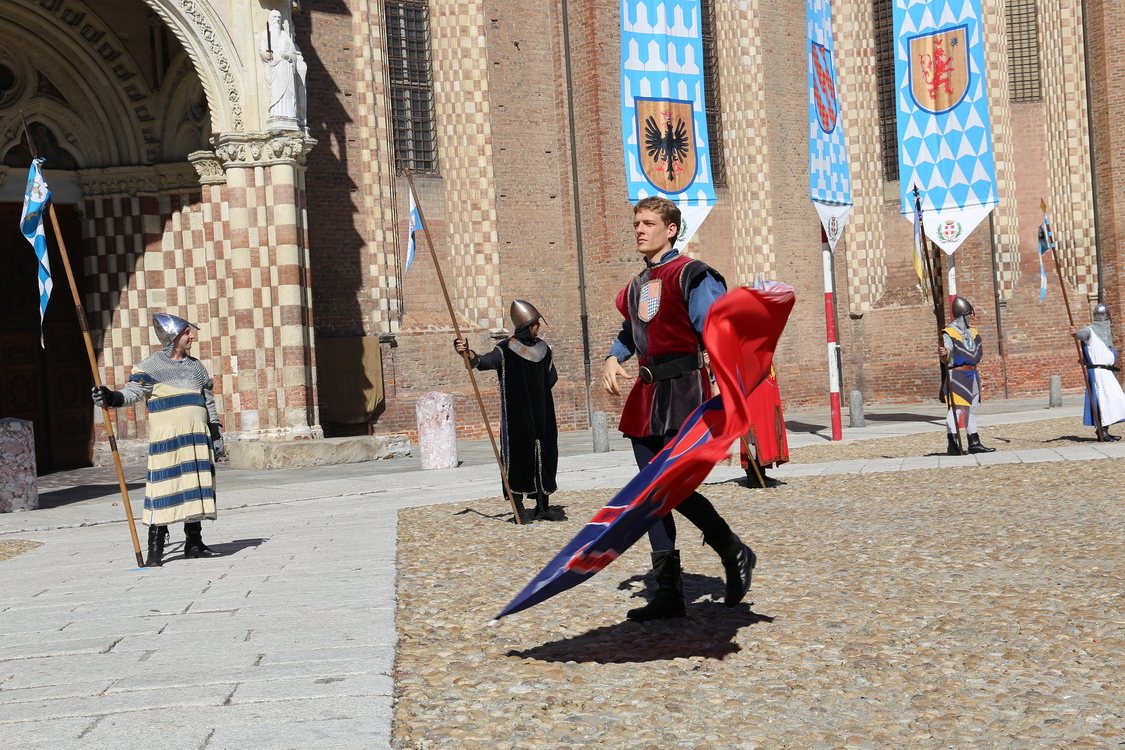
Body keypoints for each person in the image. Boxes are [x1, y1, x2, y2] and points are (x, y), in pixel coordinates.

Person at [602, 195, 755, 622]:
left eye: (648, 222)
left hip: (686, 391)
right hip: (647, 397)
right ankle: (669, 591)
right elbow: (631, 331)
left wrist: (729, 395)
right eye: (636, 222)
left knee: (673, 487)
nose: (639, 229)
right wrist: (615, 357)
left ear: (671, 229)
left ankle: (731, 548)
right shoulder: (634, 286)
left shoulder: (693, 275)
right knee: (651, 494)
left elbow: (716, 330)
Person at [92, 313, 225, 567]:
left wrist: (216, 430)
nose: (192, 336)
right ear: (173, 337)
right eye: (187, 333)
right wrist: (111, 397)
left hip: (196, 437)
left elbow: (208, 401)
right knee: (162, 489)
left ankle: (194, 543)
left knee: (193, 486)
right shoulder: (151, 366)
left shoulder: (196, 367)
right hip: (168, 439)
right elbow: (131, 394)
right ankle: (155, 547)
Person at [454, 300, 561, 522]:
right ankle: (519, 508)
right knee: (519, 458)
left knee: (546, 455)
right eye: (536, 323)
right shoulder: (505, 349)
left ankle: (543, 506)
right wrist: (469, 353)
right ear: (527, 325)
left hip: (543, 414)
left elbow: (552, 377)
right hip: (517, 415)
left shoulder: (543, 348)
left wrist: (537, 392)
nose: (539, 326)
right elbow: (483, 362)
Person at [938, 296, 995, 455]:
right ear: (962, 314)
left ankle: (974, 442)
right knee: (956, 410)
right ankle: (953, 444)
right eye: (968, 314)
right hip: (957, 374)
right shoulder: (948, 333)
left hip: (973, 373)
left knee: (972, 410)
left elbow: (978, 352)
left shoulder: (973, 332)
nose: (970, 316)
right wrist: (944, 353)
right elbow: (946, 356)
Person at [1069, 303, 1125, 441]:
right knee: (1102, 402)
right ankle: (1102, 431)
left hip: (1107, 373)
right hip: (1099, 374)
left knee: (1116, 400)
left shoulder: (1105, 335)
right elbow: (1082, 335)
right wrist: (1075, 333)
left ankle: (1104, 430)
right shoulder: (1090, 331)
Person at [740, 364, 788, 487]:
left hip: (764, 397)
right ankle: (753, 477)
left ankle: (760, 473)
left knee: (764, 433)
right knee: (753, 434)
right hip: (752, 396)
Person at [259, 9, 308, 127]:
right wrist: (267, 55)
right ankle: (276, 115)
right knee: (276, 95)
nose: (276, 19)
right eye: (274, 17)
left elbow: (293, 54)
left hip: (287, 69)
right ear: (270, 19)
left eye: (278, 17)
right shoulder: (266, 35)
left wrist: (288, 56)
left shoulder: (286, 36)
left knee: (288, 95)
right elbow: (262, 51)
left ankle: (290, 115)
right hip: (275, 69)